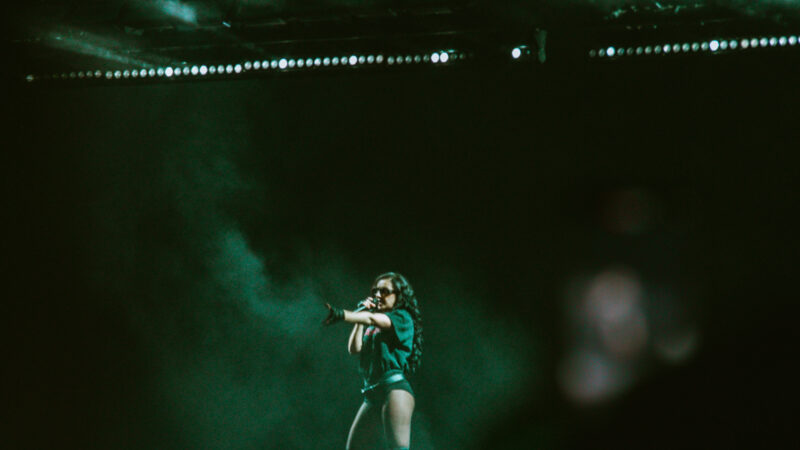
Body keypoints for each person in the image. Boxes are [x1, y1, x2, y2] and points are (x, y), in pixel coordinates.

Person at [324, 272, 423, 450]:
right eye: (376, 291)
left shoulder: (402, 317)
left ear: (399, 295)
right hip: (372, 394)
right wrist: (360, 318)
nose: (378, 295)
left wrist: (341, 314)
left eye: (384, 291)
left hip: (393, 389)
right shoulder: (374, 323)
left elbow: (372, 319)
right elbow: (354, 348)